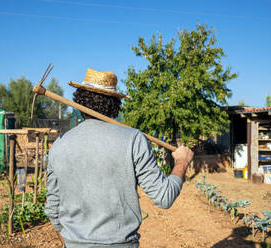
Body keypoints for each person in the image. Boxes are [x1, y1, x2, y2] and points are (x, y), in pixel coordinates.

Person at [45, 68, 194, 248]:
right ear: (115, 104)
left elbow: (53, 209)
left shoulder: (59, 145)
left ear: (79, 102)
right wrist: (182, 162)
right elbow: (164, 197)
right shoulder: (133, 139)